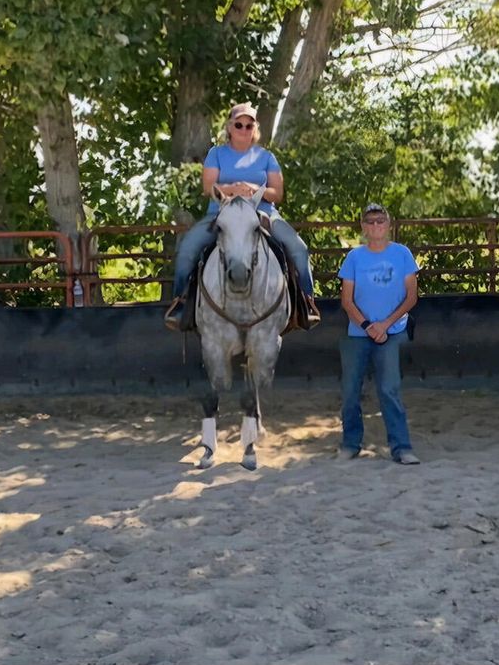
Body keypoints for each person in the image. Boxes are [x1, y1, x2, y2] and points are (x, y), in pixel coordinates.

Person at [164, 103, 320, 331]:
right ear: (230, 127)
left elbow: (277, 193)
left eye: (249, 125)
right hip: (221, 214)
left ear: (255, 128)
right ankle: (181, 303)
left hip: (262, 214)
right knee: (188, 247)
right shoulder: (216, 153)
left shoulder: (266, 157)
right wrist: (232, 189)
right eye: (239, 124)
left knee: (298, 248)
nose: (244, 129)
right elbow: (209, 188)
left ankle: (306, 303)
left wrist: (254, 189)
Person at [337, 203, 421, 464]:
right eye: (370, 221)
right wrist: (367, 326)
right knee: (350, 390)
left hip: (392, 331)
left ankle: (401, 447)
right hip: (359, 333)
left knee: (389, 389)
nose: (376, 226)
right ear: (363, 226)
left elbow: (411, 297)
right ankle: (351, 443)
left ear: (388, 224)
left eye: (380, 221)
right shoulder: (354, 258)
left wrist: (385, 324)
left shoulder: (403, 254)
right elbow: (346, 300)